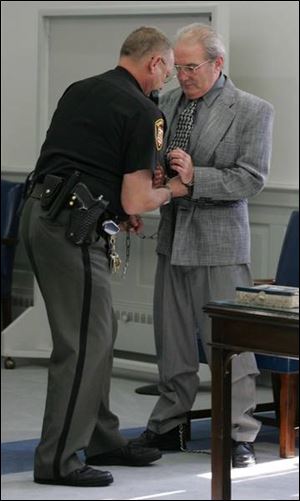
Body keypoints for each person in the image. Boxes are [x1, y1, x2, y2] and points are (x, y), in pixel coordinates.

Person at [19, 26, 188, 488]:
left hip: (39, 214)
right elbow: (138, 200)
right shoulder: (144, 110)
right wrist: (177, 188)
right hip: (71, 229)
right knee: (82, 346)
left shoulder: (83, 88)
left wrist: (115, 203)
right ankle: (59, 460)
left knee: (99, 332)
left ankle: (101, 437)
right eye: (169, 71)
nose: (167, 81)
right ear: (154, 63)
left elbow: (83, 158)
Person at [132, 23, 274, 468]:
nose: (183, 76)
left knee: (230, 345)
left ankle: (240, 434)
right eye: (179, 67)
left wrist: (195, 178)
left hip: (219, 243)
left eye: (192, 67)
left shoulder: (252, 110)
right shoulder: (166, 100)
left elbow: (251, 178)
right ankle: (169, 424)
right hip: (171, 237)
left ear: (218, 63)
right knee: (172, 342)